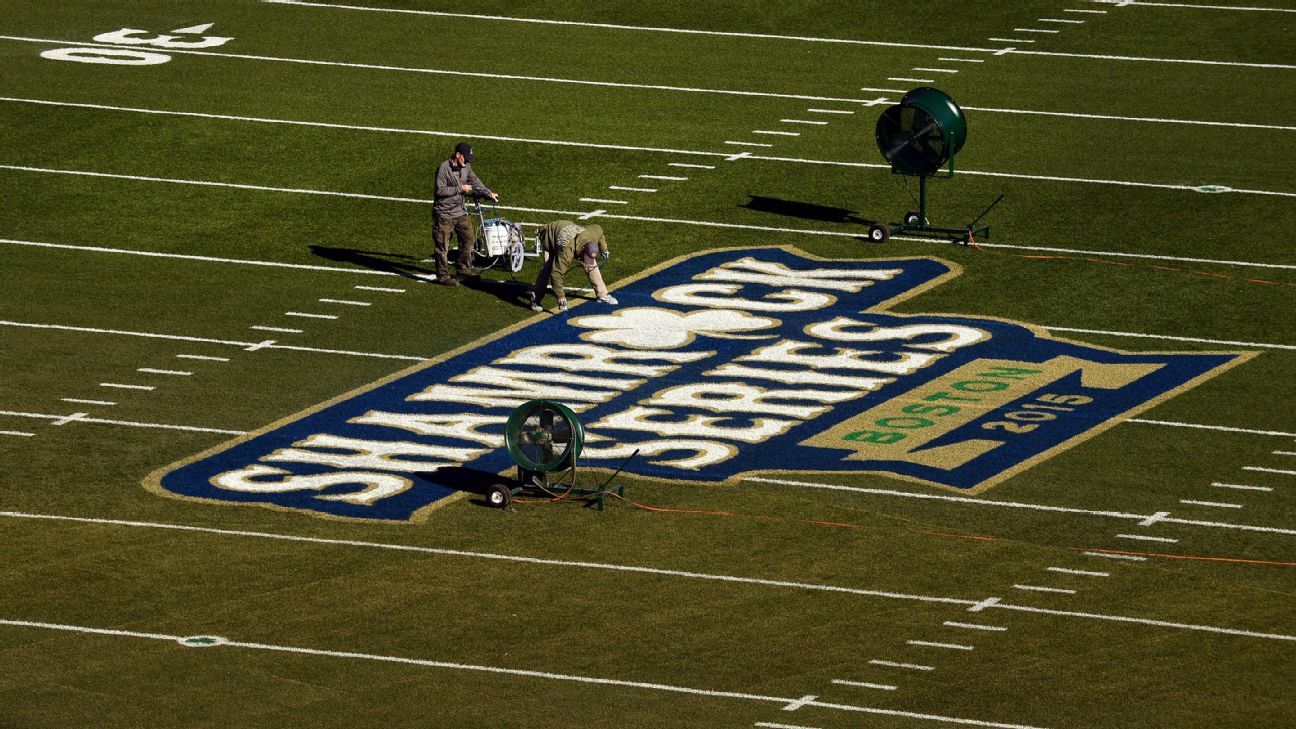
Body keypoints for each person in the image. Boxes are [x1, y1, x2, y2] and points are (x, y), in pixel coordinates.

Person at [431, 141, 497, 286]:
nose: (467, 161)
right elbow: (439, 190)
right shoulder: (444, 168)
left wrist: (487, 193)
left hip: (460, 211)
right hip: (444, 214)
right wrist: (459, 188)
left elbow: (475, 181)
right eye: (465, 158)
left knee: (468, 239)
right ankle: (442, 276)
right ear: (457, 155)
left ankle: (463, 270)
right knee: (442, 247)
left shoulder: (466, 166)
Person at [530, 221, 618, 312]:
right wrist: (561, 297)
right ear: (582, 248)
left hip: (566, 232)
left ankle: (602, 294)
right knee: (548, 268)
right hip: (549, 236)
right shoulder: (566, 251)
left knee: (592, 265)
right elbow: (556, 273)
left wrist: (604, 249)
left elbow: (599, 230)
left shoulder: (593, 233)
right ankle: (535, 300)